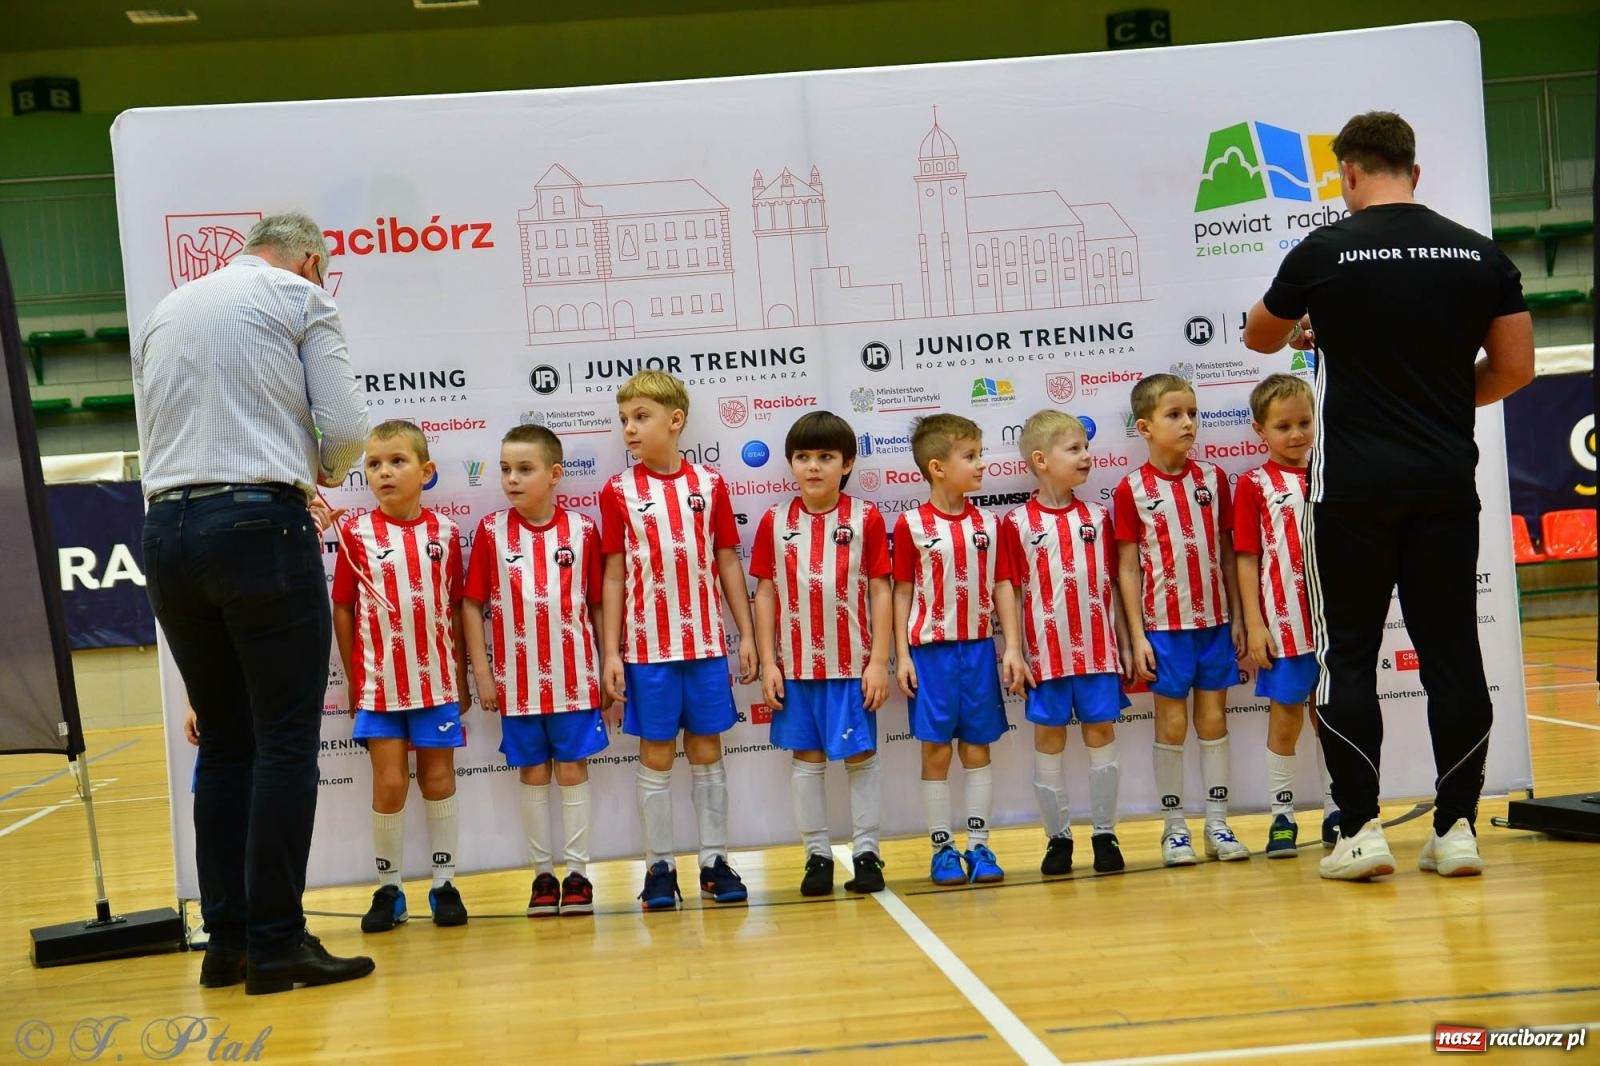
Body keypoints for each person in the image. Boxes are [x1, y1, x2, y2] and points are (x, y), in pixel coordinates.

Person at [1243, 111, 1535, 881]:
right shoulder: (1478, 253)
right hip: (1444, 482)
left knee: (1347, 657)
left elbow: (1257, 338)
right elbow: (1514, 369)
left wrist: (1317, 324)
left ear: (1350, 172)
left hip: (1352, 490)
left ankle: (1361, 832)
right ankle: (1458, 829)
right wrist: (1433, 402)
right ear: (1414, 169)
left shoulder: (1326, 250)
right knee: (1454, 659)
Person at [133, 212, 373, 994]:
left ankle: (226, 942)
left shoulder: (170, 307)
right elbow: (343, 430)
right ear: (310, 259)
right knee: (282, 741)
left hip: (166, 530)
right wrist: (327, 470)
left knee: (228, 744)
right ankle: (277, 943)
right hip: (257, 524)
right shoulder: (300, 298)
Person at [599, 370, 759, 909]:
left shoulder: (709, 485)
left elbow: (728, 561)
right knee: (656, 754)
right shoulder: (618, 492)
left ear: (675, 421)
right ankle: (659, 868)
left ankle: (714, 861)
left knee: (708, 750)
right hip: (648, 653)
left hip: (707, 647)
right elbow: (615, 575)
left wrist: (747, 634)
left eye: (641, 417)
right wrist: (613, 651)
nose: (630, 429)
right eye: (624, 420)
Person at [463, 424, 614, 917]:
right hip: (517, 683)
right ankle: (542, 875)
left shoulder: (584, 530)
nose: (511, 479)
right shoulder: (490, 531)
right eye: (505, 469)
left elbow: (596, 605)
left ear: (554, 474)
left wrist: (605, 666)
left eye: (524, 469)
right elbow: (471, 607)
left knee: (571, 770)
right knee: (532, 772)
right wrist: (482, 674)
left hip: (575, 682)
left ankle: (577, 875)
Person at [333, 421, 471, 932]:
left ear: (426, 471)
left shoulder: (446, 533)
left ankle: (445, 884)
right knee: (390, 784)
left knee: (437, 779)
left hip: (435, 684)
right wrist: (354, 678)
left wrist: (459, 676)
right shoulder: (355, 534)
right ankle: (389, 889)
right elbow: (343, 608)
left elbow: (454, 608)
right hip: (380, 687)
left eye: (397, 461)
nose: (384, 472)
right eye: (373, 464)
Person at [751, 411, 892, 896]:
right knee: (806, 760)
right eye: (803, 457)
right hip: (795, 668)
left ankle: (868, 851)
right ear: (790, 463)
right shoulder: (774, 521)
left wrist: (878, 661)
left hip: (852, 666)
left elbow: (880, 591)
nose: (813, 466)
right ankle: (816, 856)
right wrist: (770, 662)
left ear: (847, 464)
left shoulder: (865, 517)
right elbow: (765, 594)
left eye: (826, 457)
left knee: (859, 756)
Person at [1113, 374, 1247, 867]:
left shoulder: (1213, 480)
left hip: (1214, 625)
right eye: (1174, 415)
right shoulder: (1131, 490)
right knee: (1170, 724)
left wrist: (1237, 616)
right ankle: (1174, 830)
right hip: (1164, 630)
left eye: (1192, 412)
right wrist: (1136, 635)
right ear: (1144, 427)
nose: (1187, 422)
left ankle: (1217, 822)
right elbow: (1126, 568)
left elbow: (1231, 556)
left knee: (1213, 720)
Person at [893, 413, 1030, 886]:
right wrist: (903, 654)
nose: (981, 464)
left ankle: (979, 845)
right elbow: (902, 593)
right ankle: (941, 848)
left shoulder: (990, 525)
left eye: (980, 453)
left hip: (976, 652)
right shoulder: (910, 525)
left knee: (977, 747)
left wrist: (1011, 647)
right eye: (969, 456)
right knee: (936, 751)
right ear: (937, 467)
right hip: (930, 655)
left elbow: (1004, 587)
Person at [999, 410, 1132, 877]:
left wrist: (1128, 642)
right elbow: (1010, 591)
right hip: (1045, 657)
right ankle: (1057, 839)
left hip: (1097, 653)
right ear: (1040, 459)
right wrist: (1013, 649)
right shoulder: (1014, 523)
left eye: (1085, 447)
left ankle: (1105, 834)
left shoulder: (1098, 516)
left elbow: (1115, 585)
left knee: (1101, 735)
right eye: (1073, 449)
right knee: (1049, 740)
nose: (1086, 456)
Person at [1233, 374, 1338, 857]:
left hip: (1336, 621)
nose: (1296, 434)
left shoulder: (1333, 470)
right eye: (1283, 426)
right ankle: (1281, 815)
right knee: (1286, 717)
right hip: (1284, 623)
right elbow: (1247, 557)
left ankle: (1340, 808)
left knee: (1334, 716)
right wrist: (1255, 623)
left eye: (1304, 422)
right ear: (1260, 430)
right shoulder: (1253, 484)